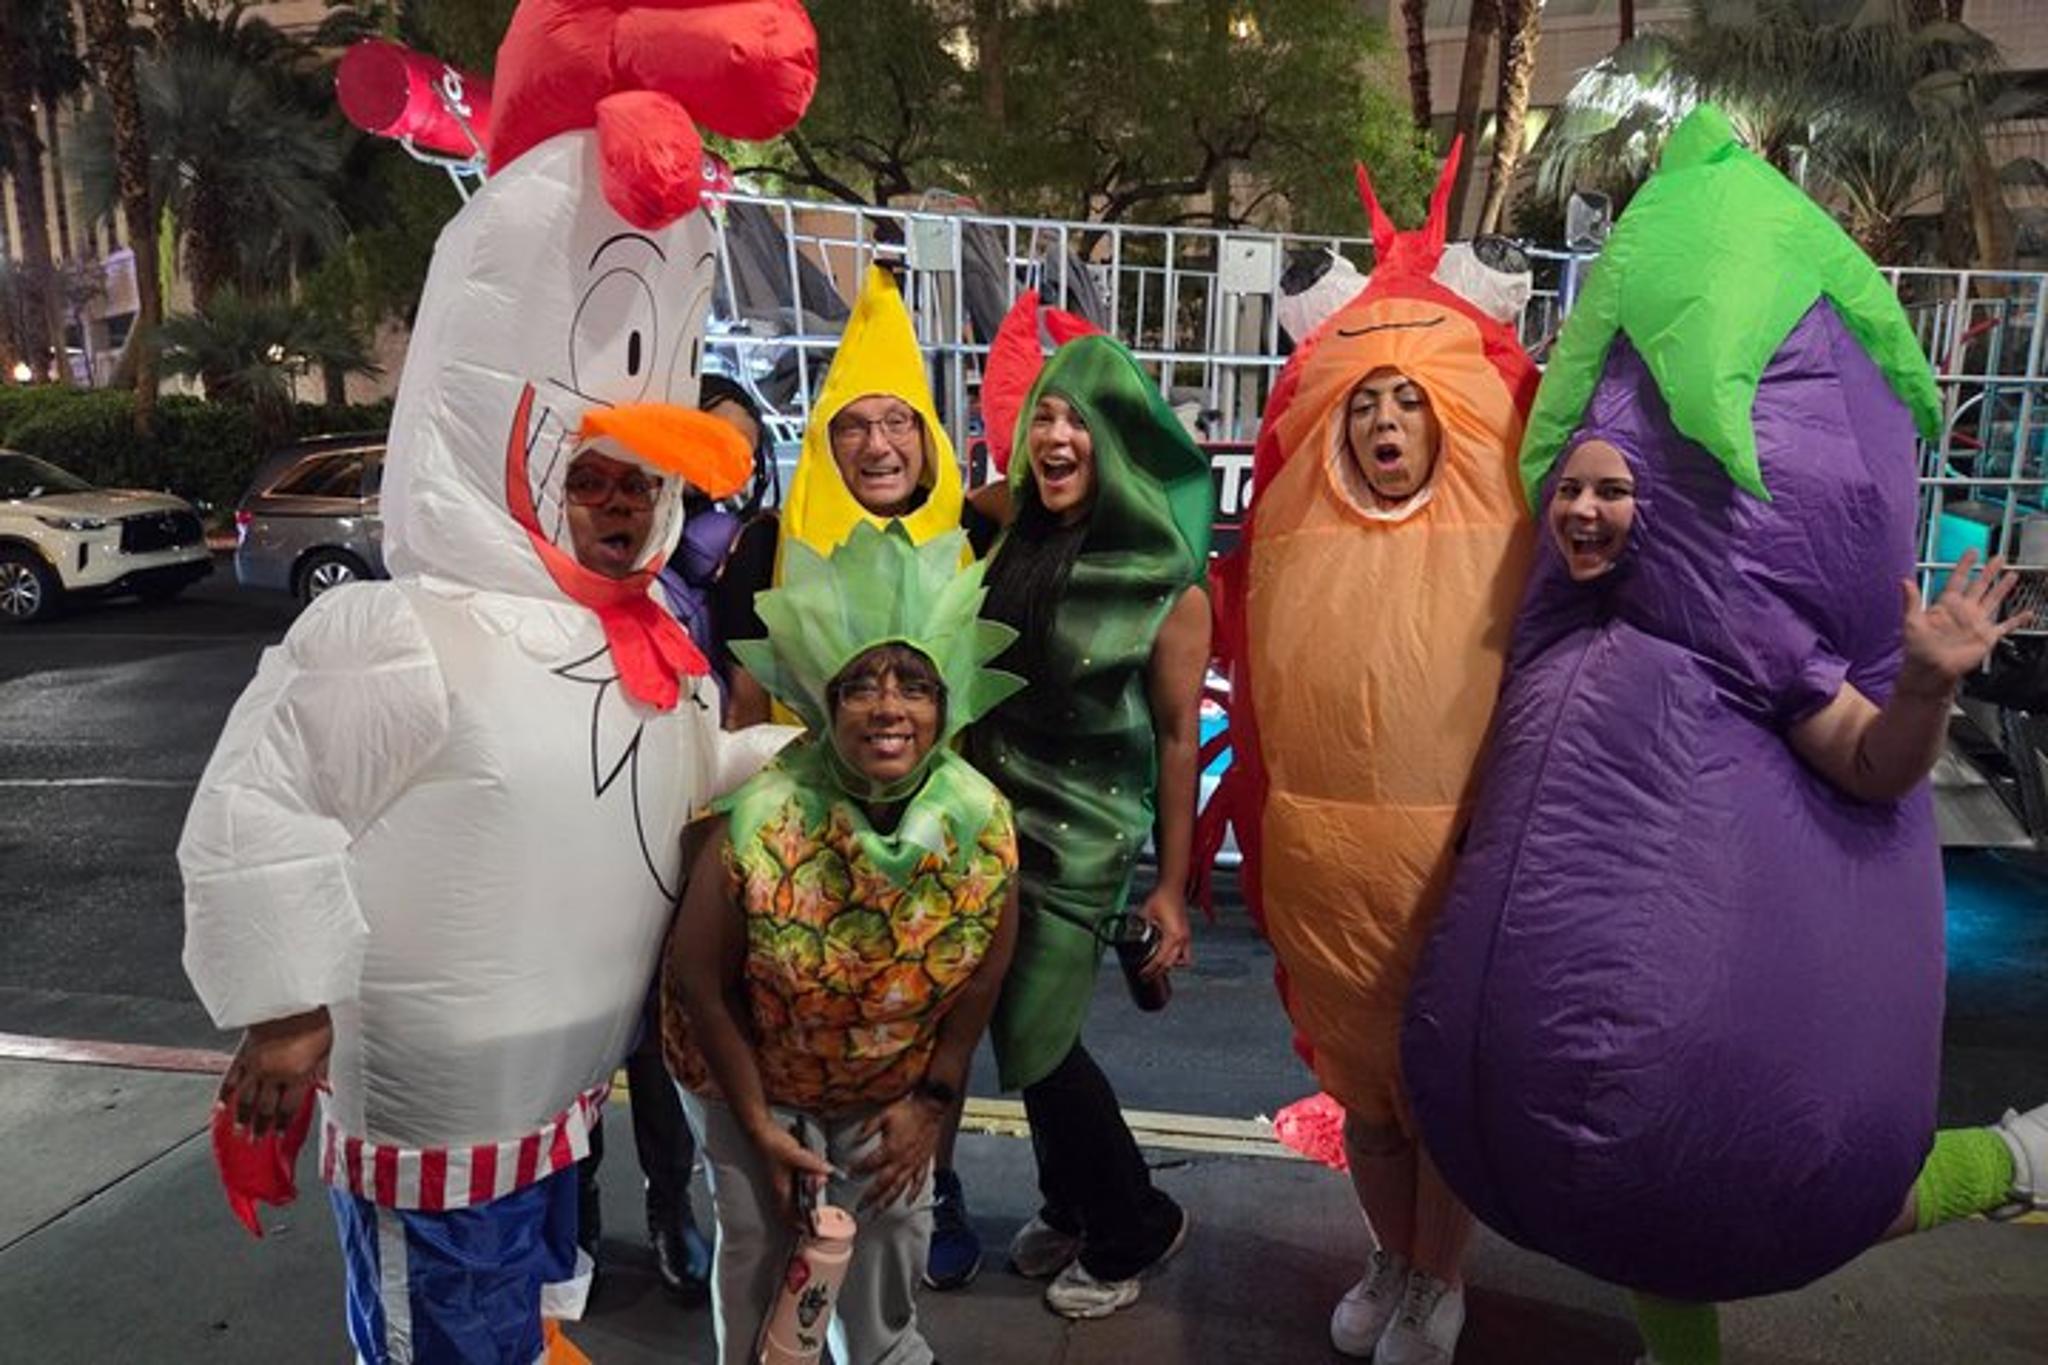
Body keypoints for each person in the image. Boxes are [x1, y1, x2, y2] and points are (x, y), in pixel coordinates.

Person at [181, 5, 813, 1355]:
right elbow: (261, 801)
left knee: (516, 1314)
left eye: (637, 485)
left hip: (556, 1101)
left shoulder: (638, 641)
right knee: (439, 1329)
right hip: (439, 1116)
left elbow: (665, 772)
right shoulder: (405, 631)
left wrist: (800, 755)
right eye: (585, 476)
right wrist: (288, 1011)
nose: (613, 507)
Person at [1398, 105, 2048, 1365]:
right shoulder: (1553, 630)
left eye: (1614, 487)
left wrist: (1922, 688)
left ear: (1672, 495)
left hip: (1707, 1073)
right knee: (1650, 1209)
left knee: (1735, 1184)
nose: (1585, 509)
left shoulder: (1742, 629)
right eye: (1572, 485)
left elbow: (1869, 760)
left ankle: (2007, 1160)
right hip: (1538, 1088)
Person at [1201, 144, 1537, 1364]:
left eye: (1408, 399)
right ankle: (1388, 1259)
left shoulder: (1505, 533)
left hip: (1457, 857)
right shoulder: (1298, 532)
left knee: (1442, 1091)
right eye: (1365, 399)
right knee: (1363, 1092)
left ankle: (1437, 1278)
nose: (1386, 419)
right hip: (1327, 859)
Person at [663, 520, 1023, 1365]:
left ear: (948, 701)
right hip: (747, 1066)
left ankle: (886, 1353)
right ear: (825, 701)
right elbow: (697, 978)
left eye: (914, 684)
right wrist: (758, 1122)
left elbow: (983, 971)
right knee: (760, 1247)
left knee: (893, 1225)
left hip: (889, 1075)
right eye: (861, 684)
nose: (889, 706)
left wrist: (932, 1103)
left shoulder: (981, 819)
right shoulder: (766, 813)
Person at [966, 330, 1214, 1320]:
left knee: (1037, 1031)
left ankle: (1132, 1220)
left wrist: (1168, 885)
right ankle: (1068, 1201)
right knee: (1014, 1026)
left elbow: (1174, 740)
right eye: (1045, 416)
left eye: (1079, 419)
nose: (1055, 435)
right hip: (990, 819)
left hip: (1083, 831)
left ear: (1116, 438)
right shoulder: (1012, 529)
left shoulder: (1167, 581)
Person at [580, 373, 776, 1299]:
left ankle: (669, 1206)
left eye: (732, 453)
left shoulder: (735, 551)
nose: (711, 472)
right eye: (700, 445)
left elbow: (732, 702)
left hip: (674, 821)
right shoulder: (588, 554)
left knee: (659, 1047)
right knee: (571, 1046)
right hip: (576, 833)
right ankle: (570, 1220)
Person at [717, 266, 967, 727]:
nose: (877, 444)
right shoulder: (765, 549)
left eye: (897, 421)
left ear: (927, 436)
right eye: (853, 426)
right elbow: (746, 715)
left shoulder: (972, 532)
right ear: (824, 442)